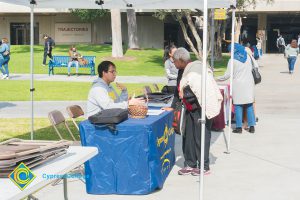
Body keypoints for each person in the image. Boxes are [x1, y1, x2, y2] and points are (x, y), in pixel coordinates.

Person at [166, 48, 222, 176]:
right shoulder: (183, 70)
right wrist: (173, 106)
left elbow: (196, 91)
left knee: (201, 137)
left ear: (181, 60)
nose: (173, 63)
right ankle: (190, 164)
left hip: (202, 108)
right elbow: (178, 90)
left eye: (174, 61)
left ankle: (204, 166)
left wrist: (183, 95)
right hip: (190, 109)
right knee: (189, 136)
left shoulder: (196, 70)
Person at [217, 43, 256, 134]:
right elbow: (256, 66)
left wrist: (216, 78)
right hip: (249, 84)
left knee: (238, 106)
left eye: (230, 51)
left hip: (238, 85)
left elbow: (227, 75)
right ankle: (252, 126)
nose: (230, 53)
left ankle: (239, 127)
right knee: (249, 105)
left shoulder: (232, 60)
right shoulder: (248, 56)